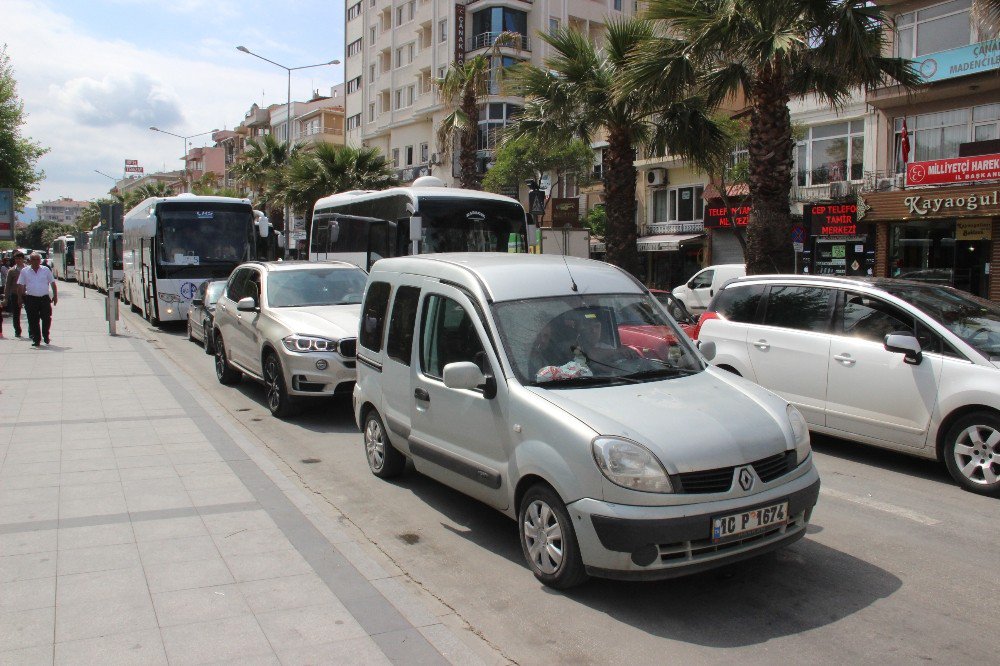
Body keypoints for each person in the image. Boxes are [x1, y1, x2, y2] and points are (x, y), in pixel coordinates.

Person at [17, 252, 58, 347]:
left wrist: (55, 296)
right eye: (33, 259)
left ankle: (46, 335)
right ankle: (36, 339)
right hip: (31, 299)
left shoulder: (45, 270)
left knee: (46, 318)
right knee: (33, 320)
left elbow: (52, 283)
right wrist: (19, 298)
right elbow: (20, 285)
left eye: (38, 259)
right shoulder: (25, 271)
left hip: (44, 299)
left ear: (40, 260)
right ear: (30, 261)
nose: (36, 261)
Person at [4, 252, 25, 337]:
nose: (18, 260)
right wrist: (5, 298)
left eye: (20, 258)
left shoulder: (27, 269)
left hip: (27, 294)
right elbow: (7, 284)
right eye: (16, 259)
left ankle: (32, 332)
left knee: (31, 313)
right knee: (16, 314)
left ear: (23, 259)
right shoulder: (11, 271)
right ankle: (17, 331)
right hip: (14, 294)